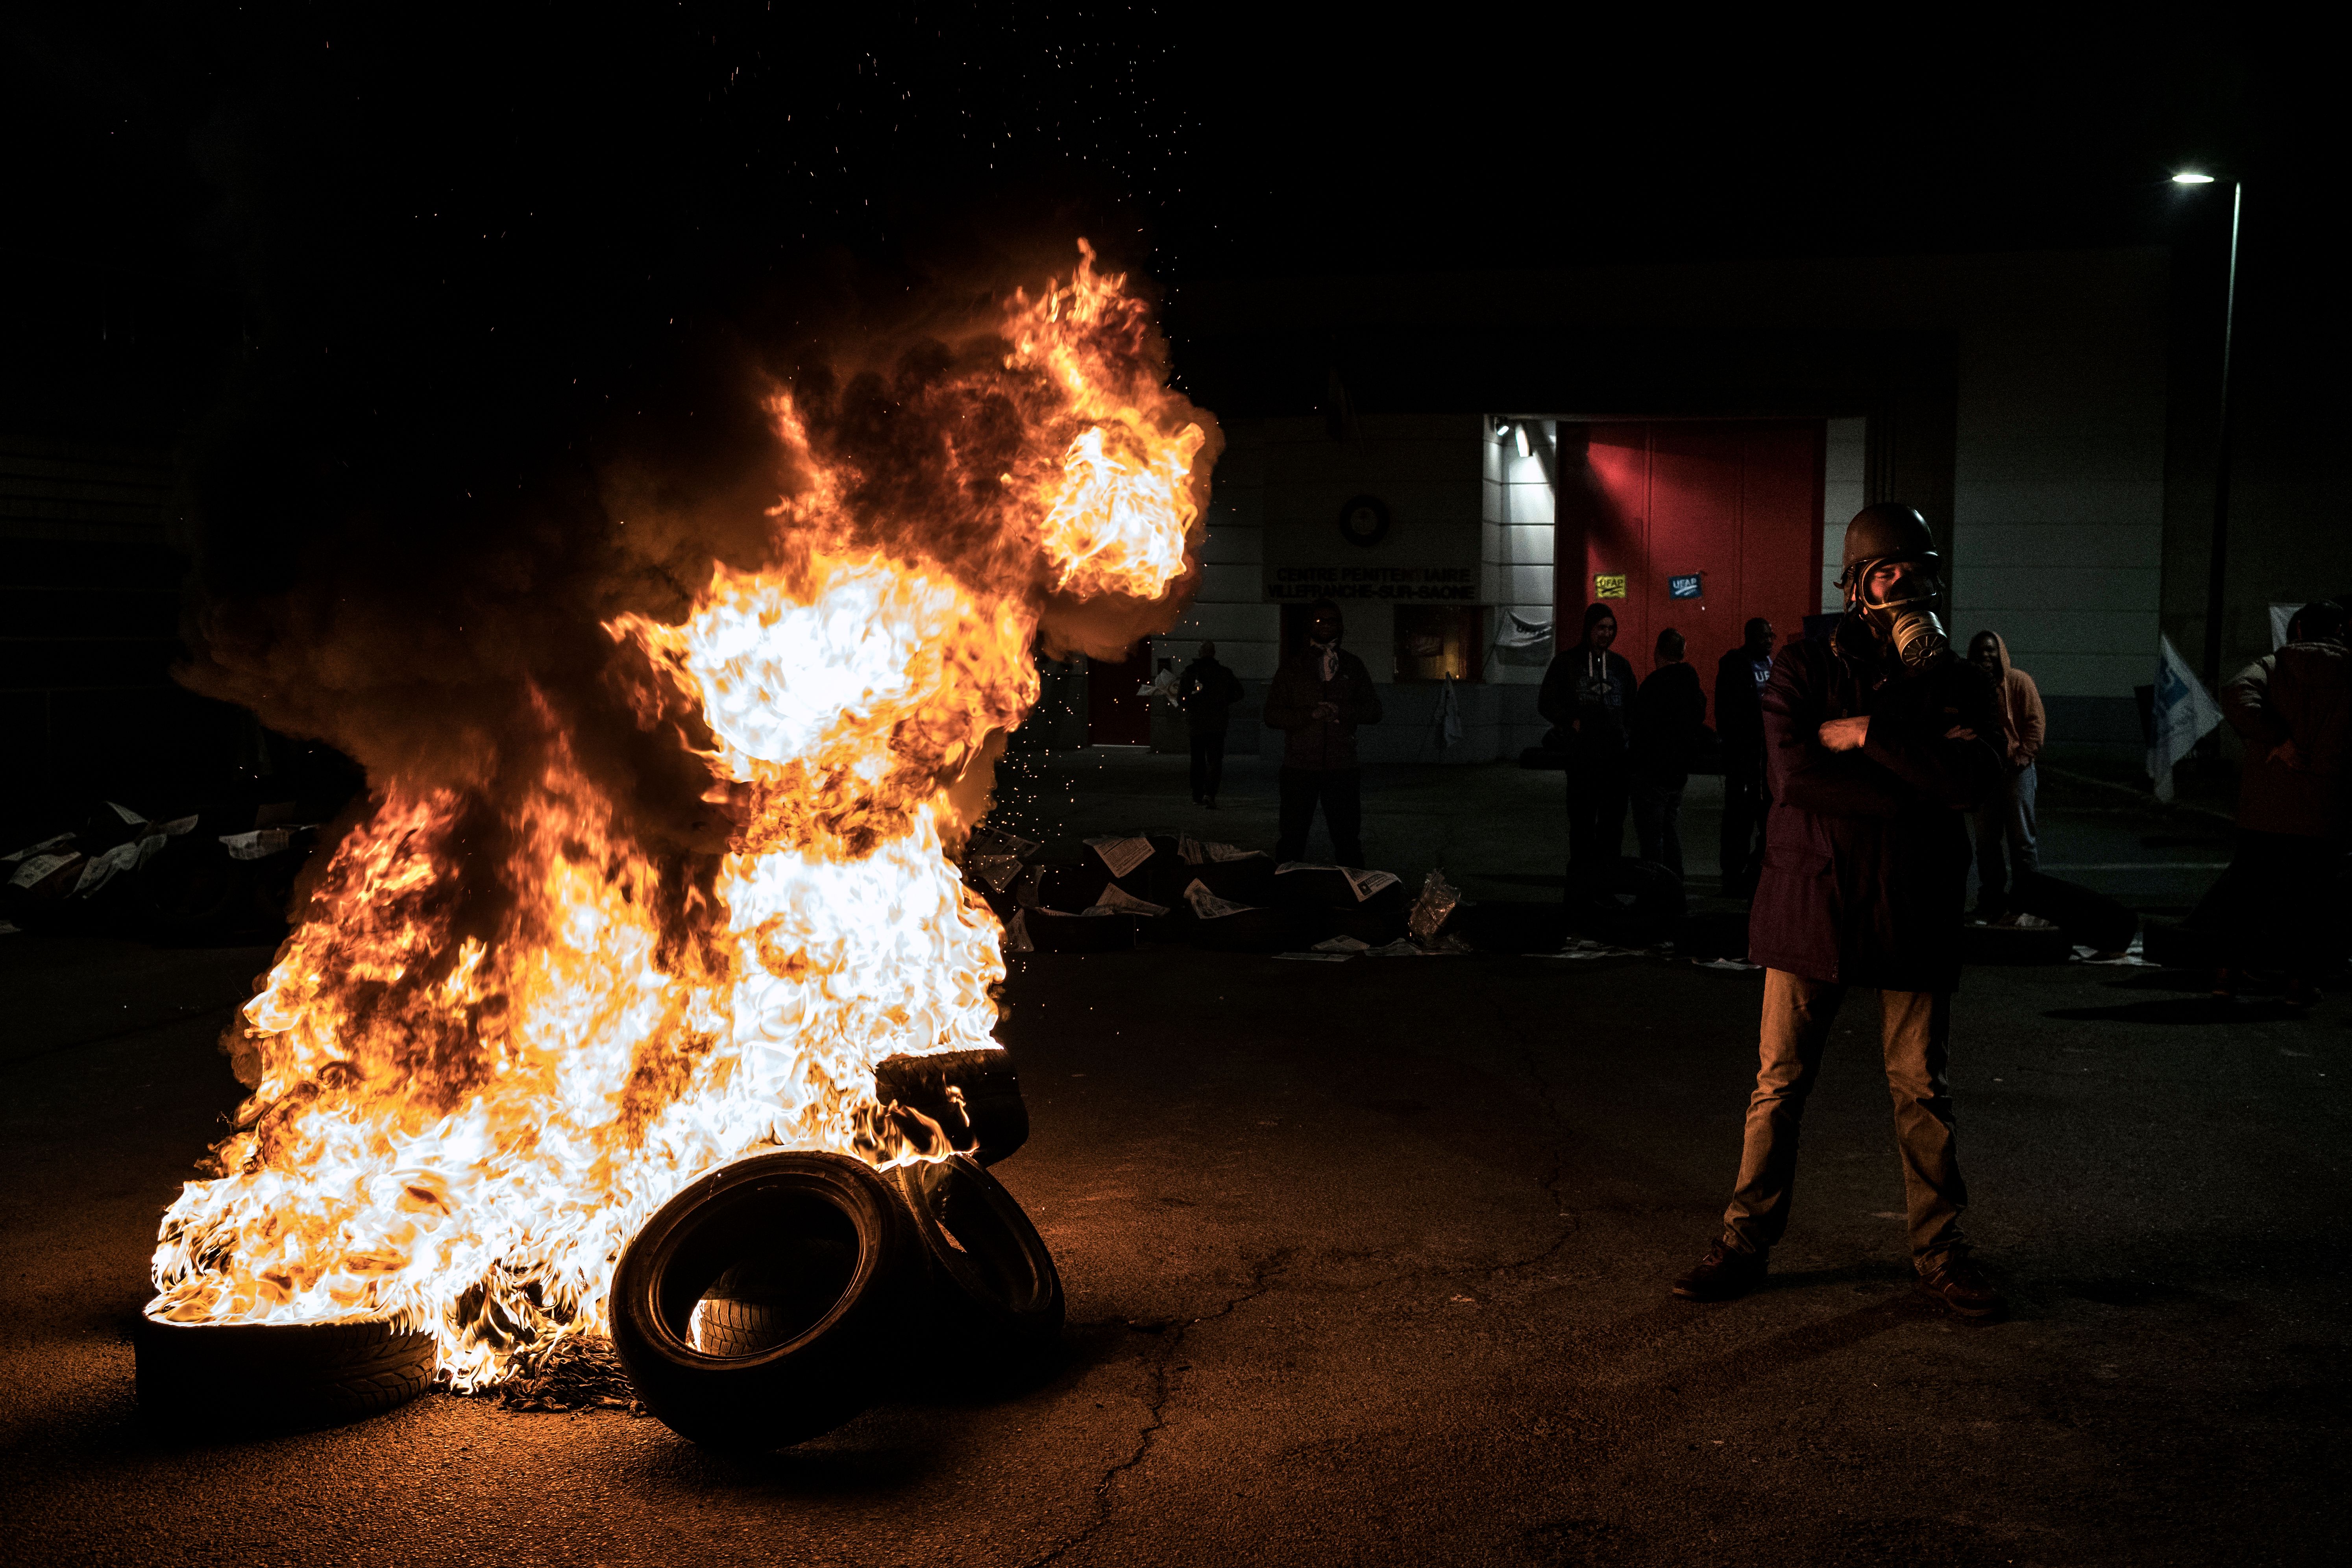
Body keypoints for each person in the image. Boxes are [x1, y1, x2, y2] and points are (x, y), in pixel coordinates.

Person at [1672, 504, 2006, 1318]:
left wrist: (1871, 735)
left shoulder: (1960, 678)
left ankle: (1939, 1251)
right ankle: (1744, 1240)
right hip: (1813, 902)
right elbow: (1795, 781)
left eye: (1917, 571)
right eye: (1889, 573)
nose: (1906, 587)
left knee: (1922, 1087)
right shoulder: (1803, 665)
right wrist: (1917, 775)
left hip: (1912, 905)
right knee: (1779, 1084)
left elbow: (1973, 786)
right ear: (1857, 585)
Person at [2195, 600, 2350, 1005]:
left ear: (2298, 630)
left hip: (2264, 809)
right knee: (2311, 901)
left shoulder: (2273, 664)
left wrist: (2278, 740)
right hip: (2324, 810)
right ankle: (2300, 983)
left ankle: (2227, 976)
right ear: (2341, 631)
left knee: (2247, 894)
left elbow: (2236, 694)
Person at [1264, 599, 1382, 865]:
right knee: (1292, 839)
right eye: (1320, 621)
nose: (1326, 626)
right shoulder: (1293, 667)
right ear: (1310, 626)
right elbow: (1272, 715)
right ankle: (1284, 894)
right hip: (1300, 767)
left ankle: (1353, 896)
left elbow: (1374, 711)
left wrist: (1342, 711)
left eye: (1332, 621)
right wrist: (1310, 715)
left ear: (1340, 626)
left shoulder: (1353, 666)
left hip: (1342, 768)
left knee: (1347, 840)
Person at [1538, 603, 1638, 873]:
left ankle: (1607, 882)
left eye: (1610, 628)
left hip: (1616, 760)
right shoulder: (1567, 663)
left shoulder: (1620, 666)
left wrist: (1627, 733)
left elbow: (1633, 705)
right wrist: (1570, 721)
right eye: (1600, 628)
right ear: (1589, 629)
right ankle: (1582, 885)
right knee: (1582, 823)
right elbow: (1546, 701)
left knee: (1612, 825)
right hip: (1583, 759)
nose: (1606, 634)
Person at [1965, 631, 2047, 922]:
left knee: (2022, 841)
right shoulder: (1970, 686)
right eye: (1979, 652)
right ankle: (1992, 902)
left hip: (2015, 772)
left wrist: (2023, 756)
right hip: (1985, 774)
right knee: (1986, 844)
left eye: (1991, 651)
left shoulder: (2019, 682)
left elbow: (2035, 723)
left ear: (2001, 653)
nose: (1986, 657)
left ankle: (2028, 904)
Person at [1630, 627, 1707, 876]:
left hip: (1653, 773)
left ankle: (1653, 892)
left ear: (1657, 651)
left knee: (1651, 839)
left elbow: (1640, 731)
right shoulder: (1692, 685)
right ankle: (1675, 888)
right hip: (1677, 773)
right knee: (1669, 829)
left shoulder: (1652, 687)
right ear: (1683, 653)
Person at [1715, 618, 1777, 896]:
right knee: (1740, 817)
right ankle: (1733, 874)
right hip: (1745, 755)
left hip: (1767, 756)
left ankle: (1755, 871)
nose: (1770, 640)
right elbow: (1726, 710)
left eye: (1771, 636)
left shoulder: (1772, 665)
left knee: (1766, 816)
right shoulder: (1736, 665)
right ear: (1751, 637)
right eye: (1764, 636)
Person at [1178, 641, 1246, 808]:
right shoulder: (1224, 673)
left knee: (1198, 760)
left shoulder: (1191, 672)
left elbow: (1181, 699)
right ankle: (1210, 794)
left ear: (1200, 653)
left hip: (1197, 723)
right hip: (1217, 723)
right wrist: (1224, 702)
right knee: (1215, 760)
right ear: (1214, 653)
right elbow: (1240, 693)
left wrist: (1192, 705)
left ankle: (1197, 795)